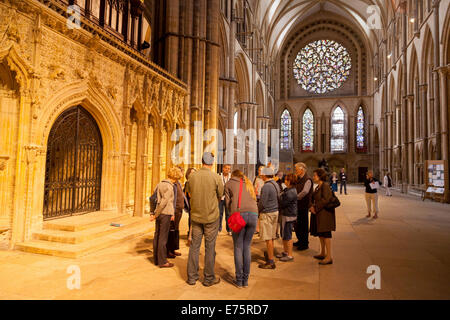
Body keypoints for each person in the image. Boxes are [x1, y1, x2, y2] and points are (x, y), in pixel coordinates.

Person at [185, 152, 224, 286]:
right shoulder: (216, 177)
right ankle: (208, 278)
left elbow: (189, 193)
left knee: (194, 247)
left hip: (196, 217)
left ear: (201, 161)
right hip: (211, 217)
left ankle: (191, 277)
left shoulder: (192, 176)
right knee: (209, 247)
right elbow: (220, 195)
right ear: (212, 163)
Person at [225, 170, 258, 288]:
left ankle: (239, 280)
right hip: (253, 215)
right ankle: (246, 280)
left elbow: (227, 203)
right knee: (247, 247)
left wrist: (231, 214)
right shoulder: (249, 183)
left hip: (240, 215)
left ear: (233, 175)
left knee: (238, 247)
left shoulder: (229, 183)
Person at [150, 167, 181, 268]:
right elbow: (164, 202)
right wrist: (156, 214)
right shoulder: (169, 186)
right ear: (175, 176)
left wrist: (154, 212)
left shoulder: (160, 184)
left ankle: (156, 259)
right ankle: (163, 261)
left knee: (157, 236)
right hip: (164, 214)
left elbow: (153, 198)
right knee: (163, 238)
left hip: (160, 214)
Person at [309, 168, 336, 265]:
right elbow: (313, 198)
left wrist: (315, 208)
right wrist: (311, 206)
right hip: (319, 214)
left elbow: (326, 199)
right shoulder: (318, 186)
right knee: (321, 234)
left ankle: (329, 257)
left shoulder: (325, 186)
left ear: (320, 176)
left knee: (326, 235)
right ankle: (323, 252)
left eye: (315, 175)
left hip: (325, 214)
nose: (313, 177)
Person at [257, 166, 280, 269]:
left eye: (262, 173)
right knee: (271, 237)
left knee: (268, 238)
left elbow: (263, 202)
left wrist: (258, 211)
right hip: (275, 211)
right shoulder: (275, 184)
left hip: (268, 213)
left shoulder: (266, 186)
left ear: (265, 175)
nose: (261, 175)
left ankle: (270, 261)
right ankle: (270, 255)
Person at [276, 173, 297, 262]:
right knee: (284, 234)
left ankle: (290, 255)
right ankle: (285, 252)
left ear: (290, 181)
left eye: (286, 180)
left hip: (288, 215)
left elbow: (283, 203)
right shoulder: (288, 189)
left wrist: (279, 197)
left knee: (288, 236)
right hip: (286, 214)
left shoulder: (291, 192)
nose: (285, 181)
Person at [293, 162, 313, 251]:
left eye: (297, 169)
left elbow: (305, 192)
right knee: (297, 224)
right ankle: (300, 240)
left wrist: (295, 197)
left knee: (303, 225)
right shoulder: (298, 179)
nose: (295, 171)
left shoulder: (307, 179)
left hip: (303, 205)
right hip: (297, 205)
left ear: (302, 170)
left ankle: (304, 243)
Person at [167, 167, 185, 258]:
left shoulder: (178, 183)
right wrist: (172, 212)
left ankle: (173, 249)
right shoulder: (172, 184)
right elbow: (171, 199)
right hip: (174, 210)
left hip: (179, 210)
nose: (182, 173)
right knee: (171, 230)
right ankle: (169, 250)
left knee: (176, 230)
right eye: (181, 172)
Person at [219, 164, 232, 235]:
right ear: (223, 169)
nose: (227, 170)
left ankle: (229, 229)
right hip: (220, 198)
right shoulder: (219, 176)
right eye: (226, 168)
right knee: (219, 214)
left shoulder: (231, 177)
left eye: (229, 169)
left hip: (228, 198)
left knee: (228, 214)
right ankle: (219, 229)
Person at [184, 167, 196, 246]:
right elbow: (189, 194)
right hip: (191, 202)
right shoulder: (188, 182)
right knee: (192, 218)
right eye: (192, 172)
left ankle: (191, 234)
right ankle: (190, 235)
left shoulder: (195, 182)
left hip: (195, 202)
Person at [253, 166, 265, 235]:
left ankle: (261, 230)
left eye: (261, 170)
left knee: (262, 215)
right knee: (257, 214)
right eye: (259, 170)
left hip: (262, 198)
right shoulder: (256, 178)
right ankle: (257, 229)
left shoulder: (265, 179)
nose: (259, 172)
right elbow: (254, 186)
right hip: (256, 198)